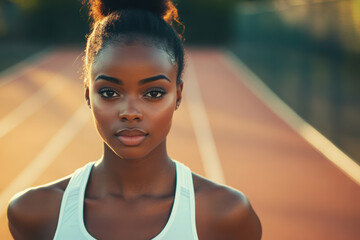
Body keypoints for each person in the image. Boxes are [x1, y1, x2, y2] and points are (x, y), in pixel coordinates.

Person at [7, 0, 262, 239]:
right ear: (88, 95)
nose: (130, 112)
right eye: (109, 92)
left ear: (178, 95)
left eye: (153, 93)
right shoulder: (36, 213)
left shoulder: (226, 215)